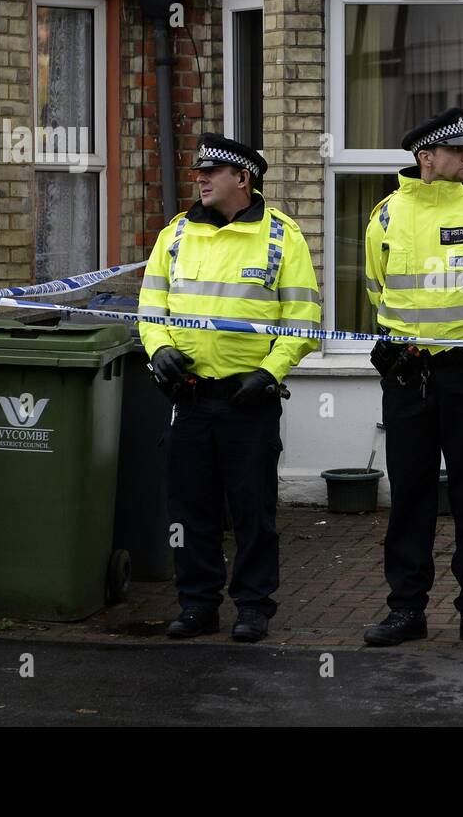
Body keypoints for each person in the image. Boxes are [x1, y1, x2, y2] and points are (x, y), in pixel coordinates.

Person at [137, 133, 320, 642]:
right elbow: (151, 309)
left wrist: (270, 373)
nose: (199, 178)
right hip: (190, 398)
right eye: (198, 171)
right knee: (190, 510)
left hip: (249, 401)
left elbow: (303, 317)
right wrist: (159, 351)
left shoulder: (283, 236)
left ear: (243, 178)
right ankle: (197, 605)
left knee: (252, 512)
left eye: (211, 172)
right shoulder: (174, 235)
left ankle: (254, 607)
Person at [361, 107, 463, 653]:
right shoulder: (384, 215)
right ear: (426, 158)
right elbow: (377, 294)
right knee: (410, 496)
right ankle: (406, 608)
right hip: (408, 376)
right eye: (459, 151)